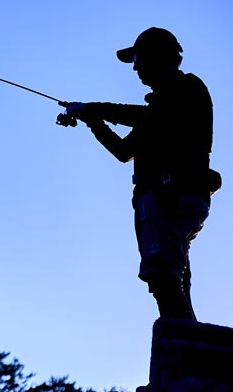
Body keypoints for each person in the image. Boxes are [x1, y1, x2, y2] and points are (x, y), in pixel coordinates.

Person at [60, 27, 221, 321]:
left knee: (162, 274)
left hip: (169, 197)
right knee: (173, 278)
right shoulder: (159, 111)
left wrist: (92, 109)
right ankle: (190, 347)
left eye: (137, 58)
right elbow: (123, 151)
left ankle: (187, 351)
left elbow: (146, 116)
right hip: (166, 200)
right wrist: (93, 121)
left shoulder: (187, 90)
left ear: (156, 57)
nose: (134, 68)